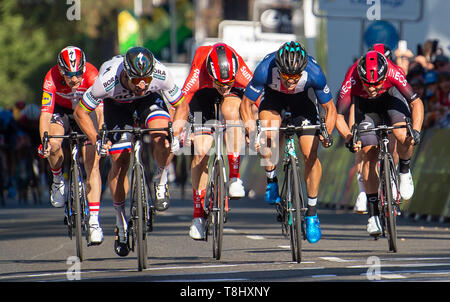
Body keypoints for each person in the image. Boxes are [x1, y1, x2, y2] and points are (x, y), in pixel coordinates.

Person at [74, 46, 188, 256]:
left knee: (162, 135)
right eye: (137, 80)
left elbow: (182, 105)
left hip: (148, 103)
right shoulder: (107, 80)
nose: (143, 84)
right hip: (116, 108)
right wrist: (95, 139)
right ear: (126, 74)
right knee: (120, 161)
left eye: (147, 79)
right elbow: (80, 111)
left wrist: (178, 128)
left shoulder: (160, 74)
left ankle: (160, 179)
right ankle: (120, 219)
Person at [240, 41, 336, 244]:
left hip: (304, 103)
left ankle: (311, 213)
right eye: (286, 75)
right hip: (274, 99)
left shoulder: (314, 72)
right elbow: (246, 104)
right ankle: (271, 180)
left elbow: (330, 109)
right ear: (279, 69)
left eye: (296, 76)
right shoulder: (265, 69)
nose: (291, 80)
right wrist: (251, 130)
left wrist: (326, 132)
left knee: (310, 154)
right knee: (269, 133)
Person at [335, 50, 424, 236]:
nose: (373, 89)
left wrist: (415, 131)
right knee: (369, 153)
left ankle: (404, 170)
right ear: (360, 77)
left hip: (391, 99)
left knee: (402, 133)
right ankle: (373, 214)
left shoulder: (393, 72)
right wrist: (349, 137)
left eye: (377, 84)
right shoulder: (351, 78)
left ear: (384, 76)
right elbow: (337, 115)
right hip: (366, 108)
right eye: (368, 85)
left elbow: (416, 103)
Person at [179, 42, 253, 240]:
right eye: (221, 84)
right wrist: (179, 131)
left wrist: (254, 126)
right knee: (201, 150)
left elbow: (259, 97)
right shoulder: (199, 69)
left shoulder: (239, 70)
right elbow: (180, 103)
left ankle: (235, 177)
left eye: (228, 83)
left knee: (231, 113)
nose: (224, 88)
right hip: (203, 94)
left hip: (233, 98)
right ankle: (198, 216)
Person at [38, 46, 104, 244]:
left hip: (86, 111)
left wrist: (100, 136)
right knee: (54, 143)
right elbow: (45, 115)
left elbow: (100, 111)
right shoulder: (51, 77)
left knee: (92, 161)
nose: (74, 79)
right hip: (62, 112)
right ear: (60, 71)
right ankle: (58, 179)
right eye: (69, 75)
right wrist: (45, 142)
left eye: (77, 74)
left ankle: (94, 221)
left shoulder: (92, 74)